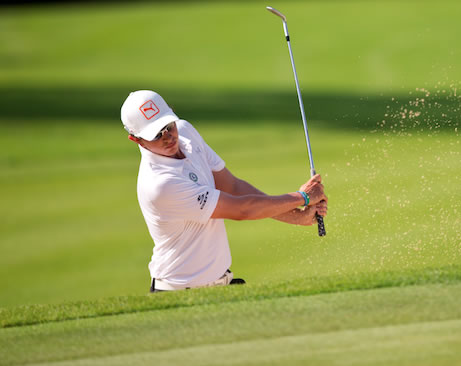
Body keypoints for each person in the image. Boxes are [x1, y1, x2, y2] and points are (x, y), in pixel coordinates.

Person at [120, 90, 328, 292]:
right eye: (156, 134)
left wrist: (297, 218)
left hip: (222, 285)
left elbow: (233, 187)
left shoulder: (185, 131)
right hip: (178, 292)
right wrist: (302, 197)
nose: (168, 137)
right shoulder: (160, 184)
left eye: (168, 125)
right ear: (136, 139)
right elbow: (241, 210)